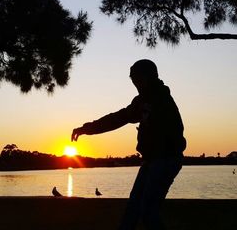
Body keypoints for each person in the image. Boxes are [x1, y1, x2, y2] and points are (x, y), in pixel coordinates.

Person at [71, 59, 186, 230]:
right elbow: (119, 118)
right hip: (152, 161)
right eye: (132, 79)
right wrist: (87, 128)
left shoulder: (160, 100)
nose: (134, 83)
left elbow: (174, 135)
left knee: (148, 211)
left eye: (136, 79)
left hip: (165, 160)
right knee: (133, 209)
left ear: (146, 77)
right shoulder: (143, 100)